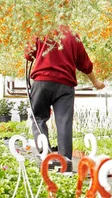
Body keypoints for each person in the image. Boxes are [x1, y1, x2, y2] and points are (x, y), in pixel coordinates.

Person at [25, 25, 104, 171]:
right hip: (65, 85)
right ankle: (65, 160)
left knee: (39, 118)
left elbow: (28, 54)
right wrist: (95, 82)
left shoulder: (40, 30)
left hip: (42, 82)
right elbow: (85, 64)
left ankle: (46, 156)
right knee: (64, 121)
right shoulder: (73, 36)